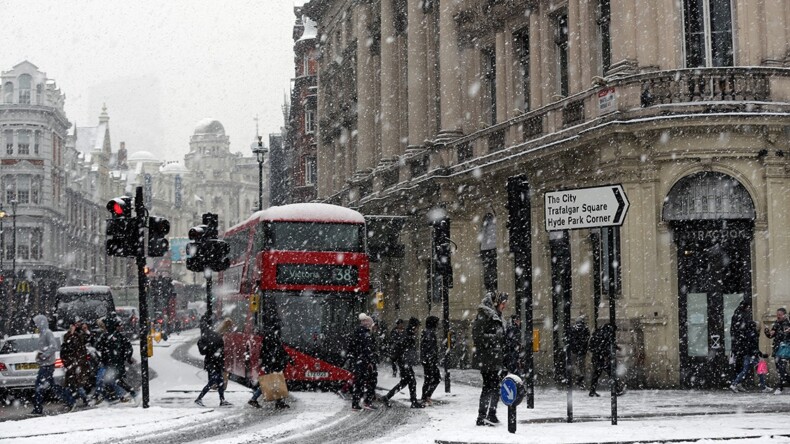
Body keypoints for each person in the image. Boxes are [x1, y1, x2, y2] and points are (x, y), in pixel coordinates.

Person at [472, 291, 507, 426]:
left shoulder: (497, 316)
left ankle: (490, 414)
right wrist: (495, 339)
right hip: (487, 358)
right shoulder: (484, 315)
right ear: (495, 303)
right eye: (503, 303)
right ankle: (483, 416)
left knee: (494, 387)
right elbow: (477, 336)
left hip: (496, 358)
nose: (504, 306)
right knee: (489, 387)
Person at [30, 314, 76, 415]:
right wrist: (40, 356)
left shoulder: (47, 333)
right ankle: (70, 400)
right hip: (45, 364)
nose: (36, 325)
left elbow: (54, 346)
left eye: (36, 323)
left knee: (40, 386)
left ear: (41, 322)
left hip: (48, 365)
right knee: (51, 386)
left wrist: (43, 356)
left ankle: (38, 408)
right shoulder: (42, 333)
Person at [248, 320, 292, 409]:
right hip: (272, 363)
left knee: (275, 381)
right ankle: (254, 399)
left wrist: (288, 358)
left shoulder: (272, 335)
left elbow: (276, 350)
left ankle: (279, 402)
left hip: (272, 363)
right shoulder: (272, 336)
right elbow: (275, 351)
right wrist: (273, 362)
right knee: (270, 382)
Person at [94, 314, 137, 404]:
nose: (120, 328)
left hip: (112, 363)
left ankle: (101, 396)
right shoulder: (113, 336)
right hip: (114, 363)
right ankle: (128, 394)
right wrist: (127, 357)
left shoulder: (108, 336)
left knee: (110, 380)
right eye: (119, 326)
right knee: (114, 380)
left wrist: (126, 356)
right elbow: (128, 348)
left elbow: (98, 346)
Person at [383, 317, 424, 408]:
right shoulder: (408, 335)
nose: (417, 329)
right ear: (414, 326)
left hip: (405, 363)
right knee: (411, 382)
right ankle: (413, 402)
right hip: (405, 363)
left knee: (406, 382)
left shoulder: (408, 334)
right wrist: (406, 361)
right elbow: (403, 349)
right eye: (417, 327)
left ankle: (387, 397)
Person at [195, 314, 231, 407]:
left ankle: (222, 400)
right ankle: (199, 398)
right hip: (213, 362)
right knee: (213, 380)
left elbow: (206, 351)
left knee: (220, 381)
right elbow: (216, 351)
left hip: (214, 362)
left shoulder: (209, 336)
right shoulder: (212, 337)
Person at [347, 313, 378, 410]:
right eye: (368, 321)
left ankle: (359, 403)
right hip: (364, 361)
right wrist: (368, 360)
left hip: (362, 360)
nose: (370, 323)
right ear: (364, 322)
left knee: (361, 382)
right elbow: (366, 348)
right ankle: (363, 402)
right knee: (365, 381)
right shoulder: (363, 333)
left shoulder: (363, 332)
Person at [61, 319, 92, 406]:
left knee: (76, 384)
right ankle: (77, 400)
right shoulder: (68, 335)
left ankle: (74, 400)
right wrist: (71, 333)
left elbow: (89, 340)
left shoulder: (80, 334)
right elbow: (68, 344)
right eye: (76, 324)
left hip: (79, 363)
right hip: (72, 363)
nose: (78, 325)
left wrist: (86, 331)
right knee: (73, 384)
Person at [588, 322, 624, 397]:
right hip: (604, 358)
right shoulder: (607, 334)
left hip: (597, 357)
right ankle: (617, 389)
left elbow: (591, 346)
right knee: (611, 373)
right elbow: (607, 344)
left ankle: (592, 391)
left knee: (596, 374)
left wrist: (597, 352)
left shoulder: (597, 332)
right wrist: (605, 355)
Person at [764, 307, 790, 394]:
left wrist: (785, 333)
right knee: (779, 369)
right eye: (777, 315)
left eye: (779, 315)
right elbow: (771, 335)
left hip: (785, 348)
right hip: (777, 348)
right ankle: (784, 383)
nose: (778, 316)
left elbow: (785, 335)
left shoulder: (788, 323)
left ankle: (780, 387)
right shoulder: (777, 323)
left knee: (781, 368)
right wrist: (767, 332)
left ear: (784, 315)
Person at [730, 319, 760, 392]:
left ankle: (735, 384)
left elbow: (750, 345)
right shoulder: (753, 334)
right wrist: (757, 354)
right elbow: (753, 346)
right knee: (757, 370)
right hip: (751, 354)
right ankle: (734, 383)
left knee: (747, 370)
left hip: (749, 354)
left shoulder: (747, 333)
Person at [420, 315, 440, 405]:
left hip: (427, 359)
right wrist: (432, 359)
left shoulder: (426, 332)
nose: (438, 325)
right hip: (429, 360)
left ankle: (425, 396)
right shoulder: (430, 333)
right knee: (435, 378)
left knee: (428, 379)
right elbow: (430, 348)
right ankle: (426, 397)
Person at [569, 315, 591, 388]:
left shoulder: (573, 329)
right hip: (582, 351)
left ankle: (578, 376)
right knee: (581, 365)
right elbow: (587, 339)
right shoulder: (585, 329)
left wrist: (574, 346)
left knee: (574, 364)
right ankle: (581, 378)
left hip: (575, 350)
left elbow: (571, 339)